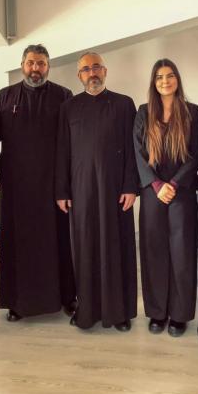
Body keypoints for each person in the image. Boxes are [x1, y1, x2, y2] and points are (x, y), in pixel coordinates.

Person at [0, 44, 76, 321]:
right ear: (23, 65)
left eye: (41, 63)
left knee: (58, 241)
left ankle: (66, 297)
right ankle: (17, 302)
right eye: (31, 63)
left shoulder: (63, 96)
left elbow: (72, 143)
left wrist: (70, 184)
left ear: (48, 67)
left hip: (53, 186)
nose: (36, 68)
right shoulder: (5, 96)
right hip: (15, 186)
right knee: (17, 244)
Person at [55, 52, 138, 331]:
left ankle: (119, 313)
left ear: (105, 71)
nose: (92, 73)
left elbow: (133, 149)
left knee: (116, 248)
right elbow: (62, 151)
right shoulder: (68, 108)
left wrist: (130, 186)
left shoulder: (124, 104)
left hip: (116, 190)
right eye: (86, 69)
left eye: (96, 68)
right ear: (79, 75)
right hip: (81, 190)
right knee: (85, 248)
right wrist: (62, 190)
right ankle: (87, 311)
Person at [133, 59, 198, 337]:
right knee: (153, 251)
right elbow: (138, 152)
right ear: (154, 82)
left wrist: (174, 183)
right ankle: (157, 312)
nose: (165, 81)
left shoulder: (192, 112)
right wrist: (157, 184)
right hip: (152, 193)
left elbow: (196, 153)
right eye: (159, 77)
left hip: (181, 192)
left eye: (170, 76)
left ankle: (180, 315)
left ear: (177, 79)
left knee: (182, 253)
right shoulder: (144, 112)